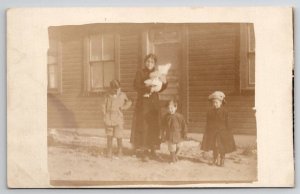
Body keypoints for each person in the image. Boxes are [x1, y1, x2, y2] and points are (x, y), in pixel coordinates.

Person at [130, 53, 168, 162]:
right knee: (145, 125)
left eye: (152, 62)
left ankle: (153, 150)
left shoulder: (157, 73)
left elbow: (162, 87)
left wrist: (165, 82)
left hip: (154, 102)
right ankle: (145, 151)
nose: (149, 63)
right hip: (143, 102)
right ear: (145, 62)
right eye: (148, 61)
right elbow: (136, 86)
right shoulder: (140, 72)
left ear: (155, 63)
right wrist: (148, 89)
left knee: (154, 124)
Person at [201, 91, 236, 166]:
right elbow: (208, 122)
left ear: (221, 102)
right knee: (214, 146)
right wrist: (207, 131)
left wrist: (228, 131)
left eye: (216, 102)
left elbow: (228, 122)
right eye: (213, 103)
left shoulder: (225, 112)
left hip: (222, 132)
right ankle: (215, 158)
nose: (215, 104)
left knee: (222, 147)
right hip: (213, 132)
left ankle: (222, 159)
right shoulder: (210, 112)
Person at [102, 79, 132, 159]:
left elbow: (129, 102)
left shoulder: (122, 95)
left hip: (118, 117)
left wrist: (124, 107)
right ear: (111, 89)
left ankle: (120, 150)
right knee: (109, 135)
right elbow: (103, 105)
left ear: (120, 88)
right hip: (109, 117)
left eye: (118, 89)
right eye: (114, 89)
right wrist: (104, 115)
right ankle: (109, 151)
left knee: (119, 135)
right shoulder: (107, 96)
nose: (116, 91)